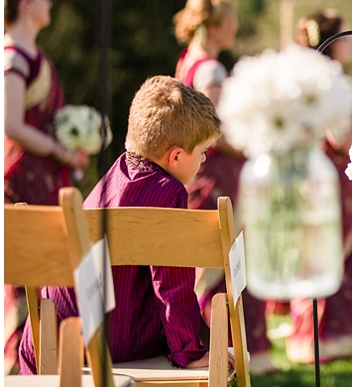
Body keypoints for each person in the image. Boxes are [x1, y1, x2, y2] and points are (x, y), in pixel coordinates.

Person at [18, 76, 219, 372]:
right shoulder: (168, 191)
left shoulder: (116, 173)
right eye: (201, 153)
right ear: (176, 156)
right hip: (108, 343)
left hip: (52, 338)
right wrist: (189, 352)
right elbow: (171, 283)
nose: (202, 160)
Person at [172, 0, 274, 374]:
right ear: (214, 27)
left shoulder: (187, 62)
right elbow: (214, 133)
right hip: (219, 175)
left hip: (202, 174)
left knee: (210, 261)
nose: (235, 27)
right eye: (230, 21)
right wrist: (256, 148)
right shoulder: (211, 68)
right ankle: (230, 355)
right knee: (227, 263)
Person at [4, 0, 90, 372]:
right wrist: (60, 151)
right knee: (23, 275)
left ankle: (50, 362)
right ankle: (15, 363)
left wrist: (72, 150)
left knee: (53, 271)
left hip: (46, 178)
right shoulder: (13, 58)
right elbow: (12, 125)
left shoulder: (33, 54)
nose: (49, 3)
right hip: (23, 179)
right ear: (25, 5)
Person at [287, 9, 352, 363]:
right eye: (344, 38)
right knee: (330, 250)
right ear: (331, 42)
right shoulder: (329, 78)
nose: (348, 45)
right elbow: (338, 137)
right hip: (330, 173)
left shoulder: (304, 77)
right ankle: (328, 336)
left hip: (308, 171)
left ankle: (313, 337)